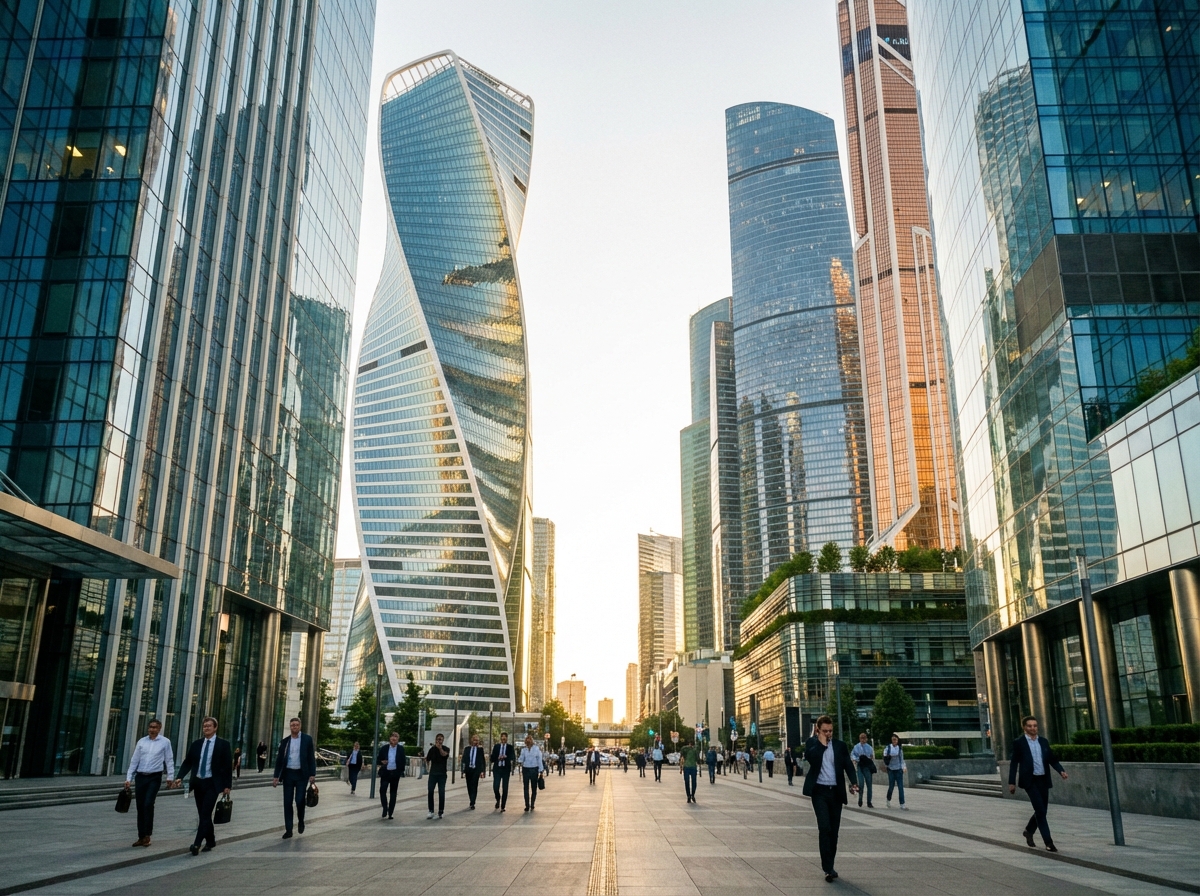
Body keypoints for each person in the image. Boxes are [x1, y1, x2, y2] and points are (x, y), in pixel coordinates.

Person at [803, 714, 858, 883]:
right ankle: (827, 868)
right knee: (824, 828)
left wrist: (853, 782)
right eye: (825, 731)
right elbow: (812, 759)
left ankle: (830, 865)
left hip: (835, 793)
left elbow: (847, 765)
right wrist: (821, 743)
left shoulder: (840, 746)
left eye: (831, 731)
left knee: (834, 832)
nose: (828, 734)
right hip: (819, 792)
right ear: (818, 730)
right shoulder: (812, 744)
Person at [1008, 715, 1068, 852]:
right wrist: (1011, 782)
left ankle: (1029, 831)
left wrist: (1061, 771)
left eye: (1035, 726)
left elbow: (1052, 759)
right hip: (1030, 781)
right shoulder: (1019, 742)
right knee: (1040, 811)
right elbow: (1013, 763)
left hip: (1043, 779)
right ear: (1024, 727)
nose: (1033, 728)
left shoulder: (1043, 741)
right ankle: (1049, 842)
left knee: (1042, 811)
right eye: (1029, 726)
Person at [174, 716, 232, 856]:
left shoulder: (223, 744)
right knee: (203, 814)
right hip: (198, 782)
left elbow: (227, 766)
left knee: (205, 813)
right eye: (204, 726)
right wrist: (180, 777)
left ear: (215, 727)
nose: (206, 728)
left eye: (209, 726)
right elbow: (188, 762)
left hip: (213, 783)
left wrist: (227, 786)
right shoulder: (196, 744)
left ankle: (197, 843)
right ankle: (211, 840)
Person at [125, 718, 175, 847]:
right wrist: (128, 778)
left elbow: (169, 760)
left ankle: (147, 834)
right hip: (141, 776)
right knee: (140, 806)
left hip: (154, 777)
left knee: (148, 804)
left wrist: (170, 776)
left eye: (155, 727)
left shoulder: (165, 742)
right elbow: (134, 760)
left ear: (159, 728)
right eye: (150, 727)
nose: (152, 730)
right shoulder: (142, 742)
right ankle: (141, 836)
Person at [272, 717, 316, 839]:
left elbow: (311, 758)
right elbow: (279, 760)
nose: (294, 727)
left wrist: (312, 774)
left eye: (296, 725)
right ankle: (289, 829)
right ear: (290, 727)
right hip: (288, 775)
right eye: (292, 725)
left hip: (302, 775)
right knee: (287, 802)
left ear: (300, 726)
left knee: (299, 800)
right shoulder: (285, 741)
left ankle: (301, 820)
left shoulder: (307, 739)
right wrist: (276, 776)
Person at [377, 732, 404, 818]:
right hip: (386, 772)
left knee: (393, 793)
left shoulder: (400, 749)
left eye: (396, 737)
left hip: (395, 773)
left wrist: (400, 772)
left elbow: (403, 760)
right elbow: (378, 759)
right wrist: (382, 762)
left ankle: (391, 812)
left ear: (398, 740)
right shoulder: (384, 748)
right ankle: (385, 807)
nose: (394, 738)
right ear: (389, 738)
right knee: (382, 790)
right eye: (392, 737)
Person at [517, 733, 545, 811]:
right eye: (527, 740)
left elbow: (539, 760)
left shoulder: (536, 749)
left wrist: (541, 770)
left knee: (534, 788)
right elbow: (521, 759)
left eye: (529, 740)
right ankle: (527, 805)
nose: (528, 741)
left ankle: (532, 803)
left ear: (532, 741)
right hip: (526, 769)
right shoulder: (523, 750)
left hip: (534, 769)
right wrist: (519, 760)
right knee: (525, 788)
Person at [425, 732, 450, 819]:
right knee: (430, 791)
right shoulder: (432, 750)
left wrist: (440, 749)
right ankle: (431, 810)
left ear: (443, 741)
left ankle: (441, 811)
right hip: (433, 774)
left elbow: (444, 755)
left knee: (441, 792)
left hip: (442, 774)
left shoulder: (446, 749)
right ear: (435, 740)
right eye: (438, 739)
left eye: (441, 739)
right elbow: (427, 759)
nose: (439, 741)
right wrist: (427, 768)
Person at [850, 733, 876, 808]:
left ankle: (869, 802)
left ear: (866, 739)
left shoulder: (869, 747)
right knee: (861, 783)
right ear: (859, 739)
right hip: (860, 766)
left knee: (869, 784)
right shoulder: (856, 747)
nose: (863, 740)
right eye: (861, 738)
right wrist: (856, 759)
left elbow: (872, 756)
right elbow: (852, 755)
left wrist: (869, 758)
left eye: (864, 738)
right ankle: (860, 799)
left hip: (867, 766)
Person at [462, 734, 487, 809]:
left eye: (477, 740)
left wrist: (483, 771)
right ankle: (471, 798)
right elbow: (463, 760)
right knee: (469, 786)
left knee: (474, 785)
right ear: (471, 740)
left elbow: (482, 761)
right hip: (468, 770)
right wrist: (463, 771)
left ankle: (472, 802)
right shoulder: (467, 749)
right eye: (474, 740)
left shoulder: (480, 750)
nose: (476, 742)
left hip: (476, 770)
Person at [883, 733, 907, 809]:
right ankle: (888, 799)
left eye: (895, 740)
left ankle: (902, 804)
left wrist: (904, 767)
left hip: (898, 769)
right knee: (891, 786)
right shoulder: (888, 748)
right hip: (891, 770)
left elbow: (902, 759)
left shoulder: (899, 749)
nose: (894, 741)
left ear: (897, 740)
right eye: (893, 739)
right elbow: (885, 757)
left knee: (900, 787)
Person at [491, 732, 512, 811]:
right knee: (495, 786)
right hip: (497, 769)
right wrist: (498, 757)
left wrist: (506, 757)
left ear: (507, 738)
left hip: (505, 769)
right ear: (500, 738)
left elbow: (512, 756)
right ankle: (498, 798)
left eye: (505, 737)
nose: (503, 738)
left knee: (505, 788)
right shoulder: (496, 747)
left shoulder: (510, 747)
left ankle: (503, 805)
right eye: (502, 737)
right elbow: (492, 758)